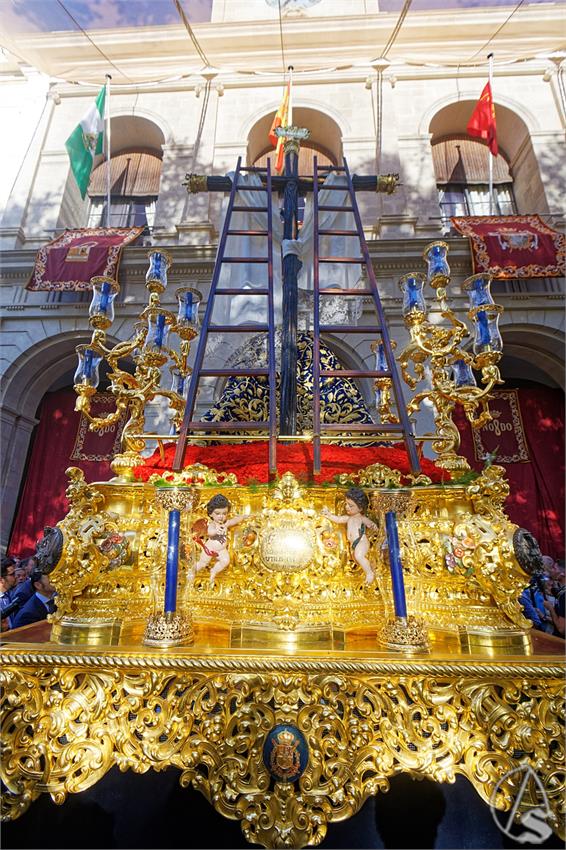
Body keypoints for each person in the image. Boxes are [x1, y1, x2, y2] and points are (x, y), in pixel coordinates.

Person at [322, 487, 378, 583]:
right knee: (357, 559)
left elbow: (371, 524)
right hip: (353, 544)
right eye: (346, 504)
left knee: (359, 556)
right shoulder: (348, 518)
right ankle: (370, 569)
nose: (347, 507)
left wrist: (373, 526)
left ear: (360, 508)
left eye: (351, 506)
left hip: (361, 541)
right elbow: (338, 519)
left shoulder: (361, 518)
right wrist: (328, 515)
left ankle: (369, 573)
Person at [192, 494, 247, 586]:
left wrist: (243, 517)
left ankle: (214, 571)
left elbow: (234, 521)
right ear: (210, 514)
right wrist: (216, 531)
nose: (221, 516)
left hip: (221, 550)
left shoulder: (226, 523)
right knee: (202, 563)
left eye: (224, 513)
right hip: (210, 549)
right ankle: (191, 571)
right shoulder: (213, 525)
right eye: (217, 513)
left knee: (226, 561)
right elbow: (210, 532)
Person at [543, 560, 565, 638]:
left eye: (554, 568)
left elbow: (562, 629)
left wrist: (550, 608)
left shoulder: (563, 596)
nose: (552, 570)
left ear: (563, 573)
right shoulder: (561, 592)